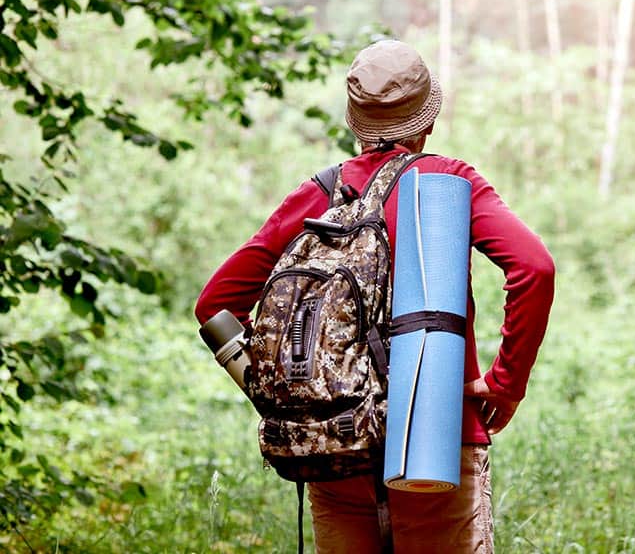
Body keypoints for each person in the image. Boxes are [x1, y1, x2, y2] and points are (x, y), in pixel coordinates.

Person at [194, 39, 554, 553]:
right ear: (426, 120)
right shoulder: (449, 182)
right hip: (436, 432)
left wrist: (279, 393)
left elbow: (215, 305)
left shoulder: (318, 196)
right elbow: (534, 268)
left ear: (355, 122)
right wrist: (505, 383)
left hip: (335, 443)